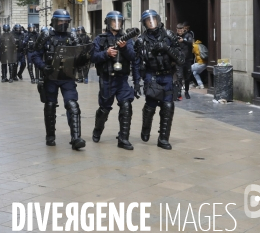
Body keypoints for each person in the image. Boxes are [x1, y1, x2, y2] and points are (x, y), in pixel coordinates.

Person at [32, 9, 91, 149]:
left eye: (65, 21)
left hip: (67, 76)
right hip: (51, 76)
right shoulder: (45, 35)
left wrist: (84, 57)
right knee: (50, 106)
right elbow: (35, 54)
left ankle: (76, 138)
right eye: (60, 21)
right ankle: (50, 136)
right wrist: (42, 66)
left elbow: (80, 55)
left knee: (73, 105)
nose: (63, 24)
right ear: (54, 22)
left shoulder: (73, 36)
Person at [134, 9, 185, 150]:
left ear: (158, 19)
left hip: (168, 75)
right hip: (152, 75)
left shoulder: (169, 35)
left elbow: (181, 59)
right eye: (148, 20)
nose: (151, 22)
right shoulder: (141, 40)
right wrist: (137, 82)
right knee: (150, 105)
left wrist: (167, 48)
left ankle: (163, 138)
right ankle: (146, 128)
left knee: (168, 106)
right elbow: (136, 63)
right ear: (144, 23)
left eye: (153, 19)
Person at [90, 12, 136, 150]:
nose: (117, 24)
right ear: (108, 22)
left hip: (122, 79)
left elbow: (133, 56)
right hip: (107, 79)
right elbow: (92, 57)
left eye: (119, 21)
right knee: (104, 108)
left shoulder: (126, 39)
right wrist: (106, 53)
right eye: (114, 21)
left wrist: (124, 48)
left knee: (126, 105)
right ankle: (97, 130)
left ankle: (123, 138)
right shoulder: (100, 39)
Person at [176, 22, 195, 99]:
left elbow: (191, 42)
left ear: (183, 29)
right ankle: (179, 92)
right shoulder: (175, 36)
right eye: (178, 30)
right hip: (179, 60)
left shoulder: (188, 35)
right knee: (179, 77)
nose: (179, 32)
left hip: (187, 60)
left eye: (181, 30)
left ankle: (186, 91)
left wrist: (183, 40)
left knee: (187, 77)